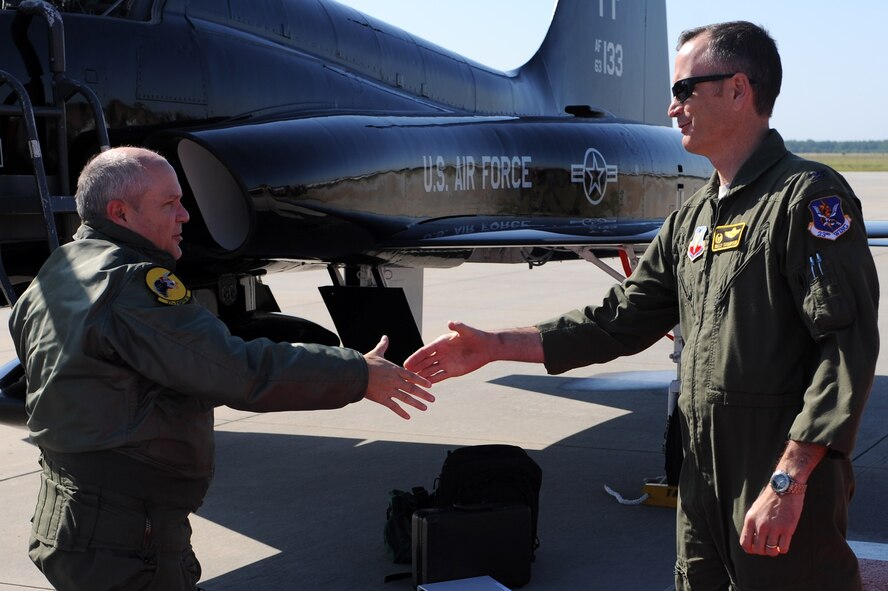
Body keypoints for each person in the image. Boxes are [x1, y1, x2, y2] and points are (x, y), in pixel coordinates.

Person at [405, 21, 878, 591]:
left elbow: (845, 347)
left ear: (737, 89)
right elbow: (616, 322)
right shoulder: (691, 219)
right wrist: (494, 347)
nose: (672, 107)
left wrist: (789, 480)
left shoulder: (807, 198)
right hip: (701, 479)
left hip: (775, 474)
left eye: (684, 90)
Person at [9, 146, 435, 591]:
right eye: (169, 204)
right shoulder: (132, 284)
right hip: (124, 539)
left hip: (77, 518)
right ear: (121, 213)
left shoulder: (59, 269)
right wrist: (358, 373)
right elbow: (237, 371)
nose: (185, 216)